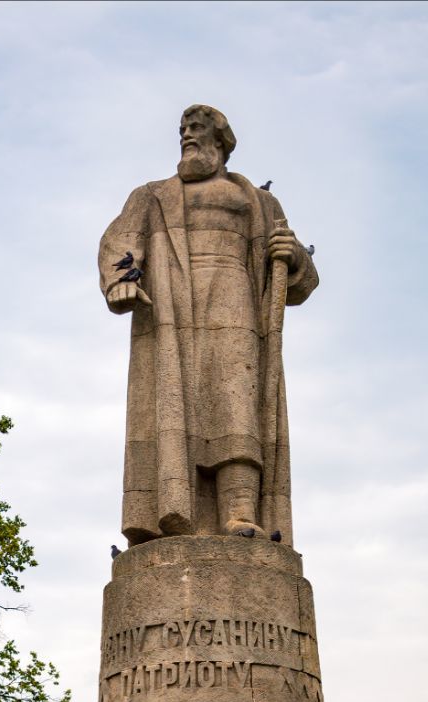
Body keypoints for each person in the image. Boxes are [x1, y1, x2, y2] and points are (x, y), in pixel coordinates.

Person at [99, 104, 318, 546]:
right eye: (182, 130)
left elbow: (300, 280)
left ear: (221, 140)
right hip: (170, 314)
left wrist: (294, 256)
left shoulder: (258, 200)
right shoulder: (152, 195)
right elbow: (120, 241)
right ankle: (172, 512)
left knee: (237, 406)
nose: (187, 136)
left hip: (235, 307)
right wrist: (120, 281)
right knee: (171, 414)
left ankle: (239, 512)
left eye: (197, 129)